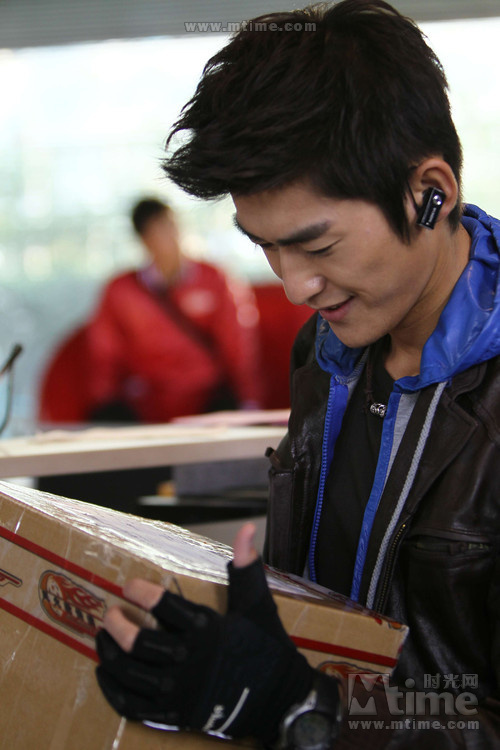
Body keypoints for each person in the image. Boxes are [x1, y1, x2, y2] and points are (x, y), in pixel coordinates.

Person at [95, 1, 500, 747]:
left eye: (317, 246)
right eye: (267, 246)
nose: (294, 287)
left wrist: (300, 707)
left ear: (430, 193)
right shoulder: (326, 353)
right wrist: (246, 654)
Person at [83, 196, 263, 423]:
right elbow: (104, 353)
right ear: (143, 239)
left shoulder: (215, 279)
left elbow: (239, 344)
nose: (171, 235)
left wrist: (248, 399)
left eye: (171, 225)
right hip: (145, 404)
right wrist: (105, 402)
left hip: (207, 399)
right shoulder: (121, 291)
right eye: (159, 229)